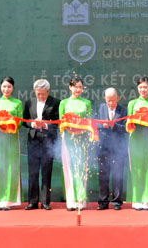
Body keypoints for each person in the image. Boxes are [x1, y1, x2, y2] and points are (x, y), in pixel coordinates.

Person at [22, 79, 60, 210]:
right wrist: (31, 124)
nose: (40, 96)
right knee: (32, 172)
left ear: (48, 92)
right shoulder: (29, 103)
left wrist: (45, 124)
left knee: (46, 171)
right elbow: (24, 120)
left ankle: (45, 201)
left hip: (48, 142)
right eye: (38, 93)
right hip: (33, 140)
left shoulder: (55, 103)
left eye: (43, 94)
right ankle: (32, 201)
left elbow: (57, 122)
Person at [59, 77, 93, 211]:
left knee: (81, 167)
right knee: (69, 167)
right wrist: (70, 130)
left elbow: (89, 121)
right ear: (70, 87)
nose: (77, 89)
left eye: (80, 87)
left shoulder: (87, 103)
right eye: (75, 87)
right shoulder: (64, 103)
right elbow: (61, 122)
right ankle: (71, 201)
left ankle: (81, 200)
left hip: (82, 139)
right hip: (68, 138)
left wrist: (81, 131)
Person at [127, 76, 148, 210]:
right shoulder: (132, 103)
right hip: (135, 139)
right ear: (137, 88)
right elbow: (128, 122)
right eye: (140, 87)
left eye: (145, 87)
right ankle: (137, 200)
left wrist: (146, 119)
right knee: (137, 170)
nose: (143, 90)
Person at [0, 76, 23, 210]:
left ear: (13, 88)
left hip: (12, 138)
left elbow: (20, 121)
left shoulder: (17, 103)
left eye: (9, 87)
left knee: (12, 167)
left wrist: (9, 125)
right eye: (4, 86)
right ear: (0, 87)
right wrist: (0, 126)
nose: (6, 89)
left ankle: (10, 201)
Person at [94, 87, 128, 211]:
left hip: (118, 147)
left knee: (117, 174)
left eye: (113, 100)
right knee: (103, 174)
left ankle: (117, 202)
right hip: (103, 146)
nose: (111, 103)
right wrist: (101, 125)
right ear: (105, 99)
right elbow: (94, 123)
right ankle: (103, 201)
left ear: (118, 98)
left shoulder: (124, 110)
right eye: (108, 101)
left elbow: (126, 128)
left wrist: (115, 125)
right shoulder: (100, 108)